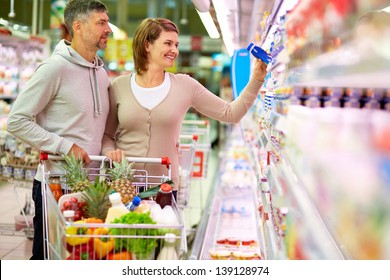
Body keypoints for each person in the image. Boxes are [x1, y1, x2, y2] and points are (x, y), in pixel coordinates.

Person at [102, 17, 267, 196]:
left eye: (176, 45)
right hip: (121, 186)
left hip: (162, 189)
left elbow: (231, 114)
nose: (174, 50)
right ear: (147, 45)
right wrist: (110, 152)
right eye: (168, 43)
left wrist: (256, 79)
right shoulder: (119, 86)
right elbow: (107, 135)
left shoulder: (185, 86)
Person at [6, 0, 112, 260]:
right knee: (47, 258)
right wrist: (66, 146)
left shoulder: (101, 73)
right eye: (101, 22)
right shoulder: (54, 68)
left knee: (79, 258)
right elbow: (17, 119)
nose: (108, 28)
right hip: (56, 186)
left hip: (91, 187)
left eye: (107, 21)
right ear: (78, 26)